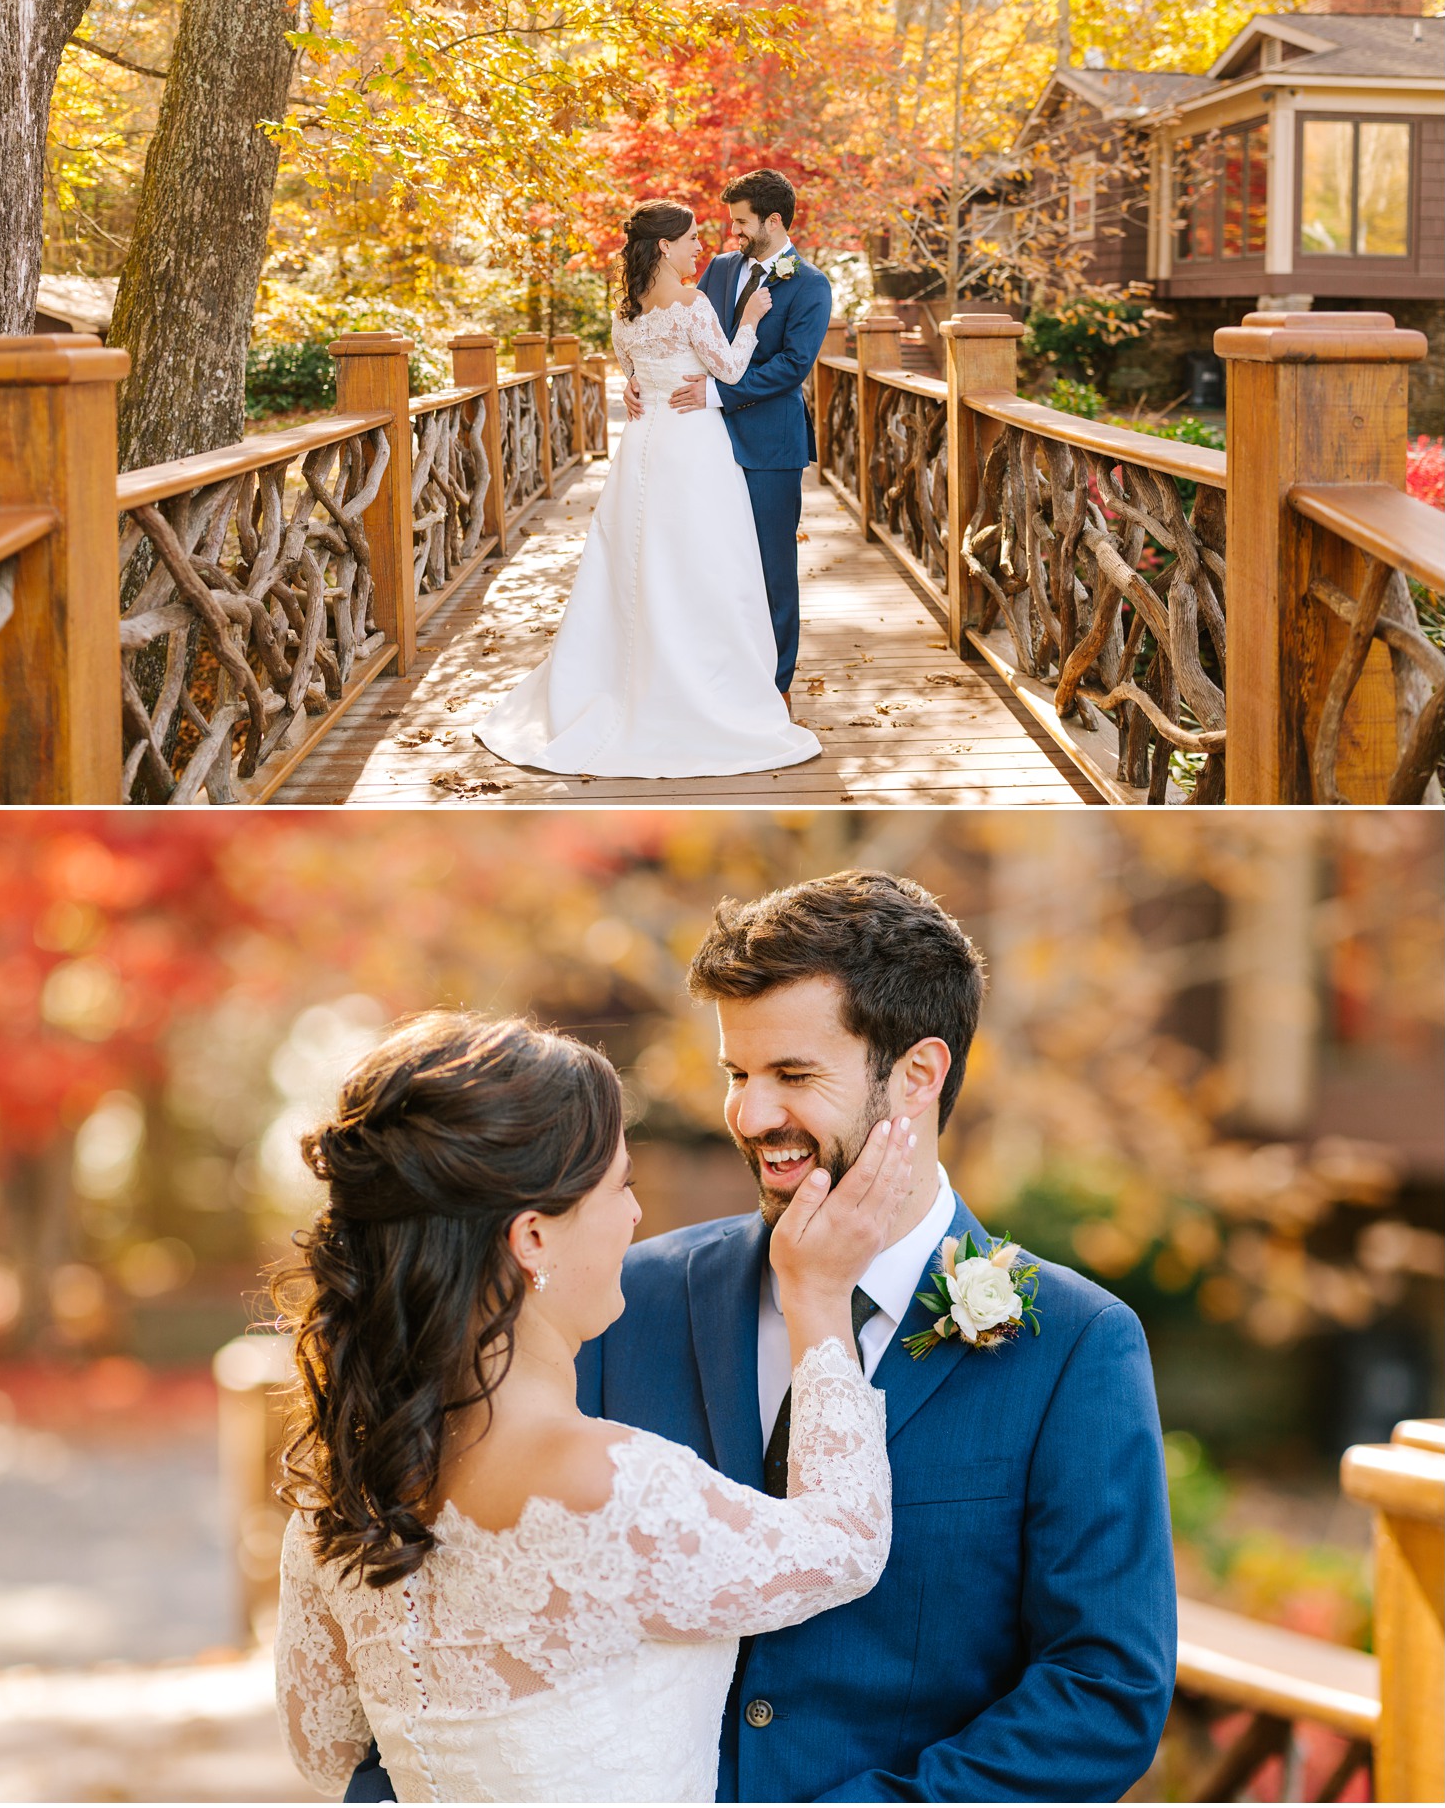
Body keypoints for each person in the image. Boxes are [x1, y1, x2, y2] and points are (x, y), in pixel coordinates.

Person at [579, 870, 1179, 1802]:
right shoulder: (627, 1303)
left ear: (919, 1074)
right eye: (738, 1074)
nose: (750, 1115)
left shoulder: (1076, 1345)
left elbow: (1103, 1693)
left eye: (795, 1075)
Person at [273, 1010, 913, 1804]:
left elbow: (327, 1751)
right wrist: (818, 1296)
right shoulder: (609, 1487)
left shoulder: (341, 1500)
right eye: (621, 1186)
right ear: (533, 1238)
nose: (637, 1216)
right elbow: (845, 1544)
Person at [474, 197, 820, 778]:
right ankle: (699, 689)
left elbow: (631, 372)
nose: (701, 248)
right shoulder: (693, 302)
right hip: (693, 448)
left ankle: (626, 680)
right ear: (665, 245)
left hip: (642, 448)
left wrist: (637, 386)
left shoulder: (627, 310)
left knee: (637, 563)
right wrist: (754, 320)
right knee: (704, 565)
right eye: (690, 240)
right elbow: (730, 371)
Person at [623, 167, 834, 704]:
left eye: (741, 221)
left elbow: (793, 365)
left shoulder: (810, 285)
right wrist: (638, 383)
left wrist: (715, 396)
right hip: (699, 446)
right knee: (707, 562)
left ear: (774, 221)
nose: (732, 231)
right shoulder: (714, 270)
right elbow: (672, 337)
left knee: (771, 568)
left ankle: (775, 686)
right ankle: (710, 675)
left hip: (768, 445)